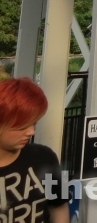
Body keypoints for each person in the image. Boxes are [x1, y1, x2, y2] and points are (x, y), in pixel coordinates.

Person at [0, 78, 71, 223]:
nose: (31, 132)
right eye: (22, 126)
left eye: (34, 123)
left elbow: (59, 206)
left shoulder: (46, 157)